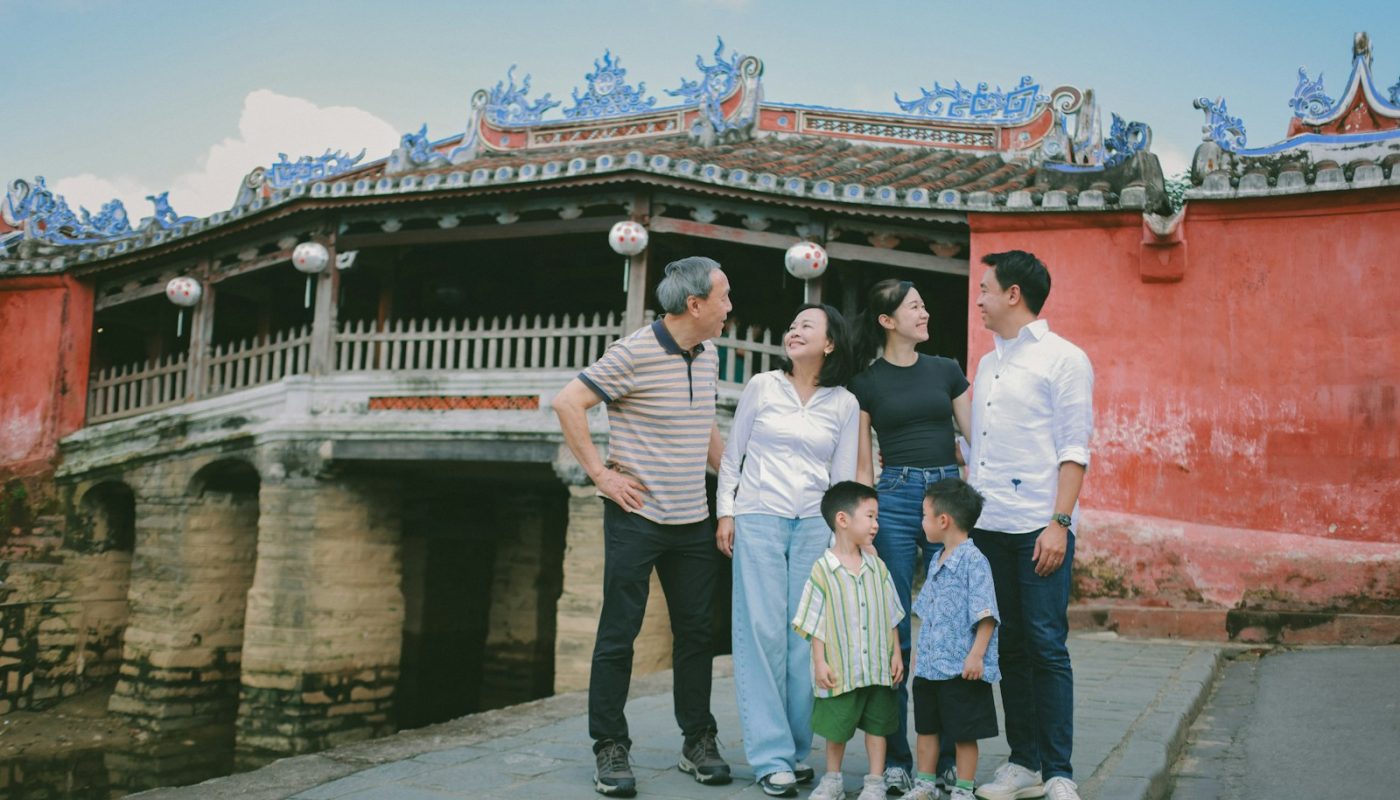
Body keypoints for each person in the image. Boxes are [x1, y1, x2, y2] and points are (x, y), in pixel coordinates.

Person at [551, 256, 734, 798]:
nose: (730, 307)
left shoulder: (708, 355)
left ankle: (697, 739)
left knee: (697, 633)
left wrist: (738, 481)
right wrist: (601, 476)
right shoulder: (634, 351)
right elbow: (569, 402)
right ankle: (610, 746)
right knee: (619, 635)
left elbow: (704, 429)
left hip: (691, 518)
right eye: (723, 297)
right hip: (637, 517)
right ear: (695, 304)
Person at [716, 303, 860, 797]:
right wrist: (726, 512)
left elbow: (842, 481)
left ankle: (798, 752)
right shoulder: (762, 386)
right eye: (792, 324)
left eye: (807, 326)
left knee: (805, 641)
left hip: (813, 528)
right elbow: (733, 457)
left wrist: (844, 540)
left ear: (831, 343)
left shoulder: (843, 402)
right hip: (758, 517)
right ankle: (769, 755)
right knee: (760, 636)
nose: (793, 331)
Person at [966, 251, 1093, 800]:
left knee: (1046, 644)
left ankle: (1059, 770)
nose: (979, 298)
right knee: (1008, 648)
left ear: (1013, 294)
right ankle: (1024, 762)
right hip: (990, 526)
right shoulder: (988, 364)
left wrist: (1059, 523)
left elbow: (1074, 447)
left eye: (986, 288)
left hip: (1039, 528)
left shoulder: (1065, 359)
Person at [848, 279, 972, 794]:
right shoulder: (866, 382)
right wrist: (863, 516)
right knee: (893, 629)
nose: (924, 313)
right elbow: (861, 456)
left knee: (950, 628)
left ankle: (943, 759)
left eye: (923, 305)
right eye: (914, 307)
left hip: (947, 496)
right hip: (895, 498)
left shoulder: (946, 370)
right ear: (887, 320)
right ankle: (897, 757)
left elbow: (975, 439)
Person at [792, 481, 905, 800]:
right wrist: (819, 661)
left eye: (876, 517)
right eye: (870, 516)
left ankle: (874, 781)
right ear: (843, 520)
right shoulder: (822, 570)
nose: (875, 524)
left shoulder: (877, 567)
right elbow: (815, 621)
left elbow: (891, 613)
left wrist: (896, 654)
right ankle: (833, 779)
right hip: (841, 667)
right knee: (835, 726)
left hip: (878, 667)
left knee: (878, 726)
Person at [904, 478, 1001, 800]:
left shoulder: (975, 561)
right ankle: (925, 784)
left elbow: (986, 614)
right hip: (932, 666)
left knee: (964, 732)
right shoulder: (937, 558)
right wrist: (922, 651)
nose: (922, 523)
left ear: (943, 521)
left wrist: (976, 656)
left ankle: (963, 789)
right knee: (926, 728)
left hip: (961, 667)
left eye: (924, 516)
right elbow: (929, 611)